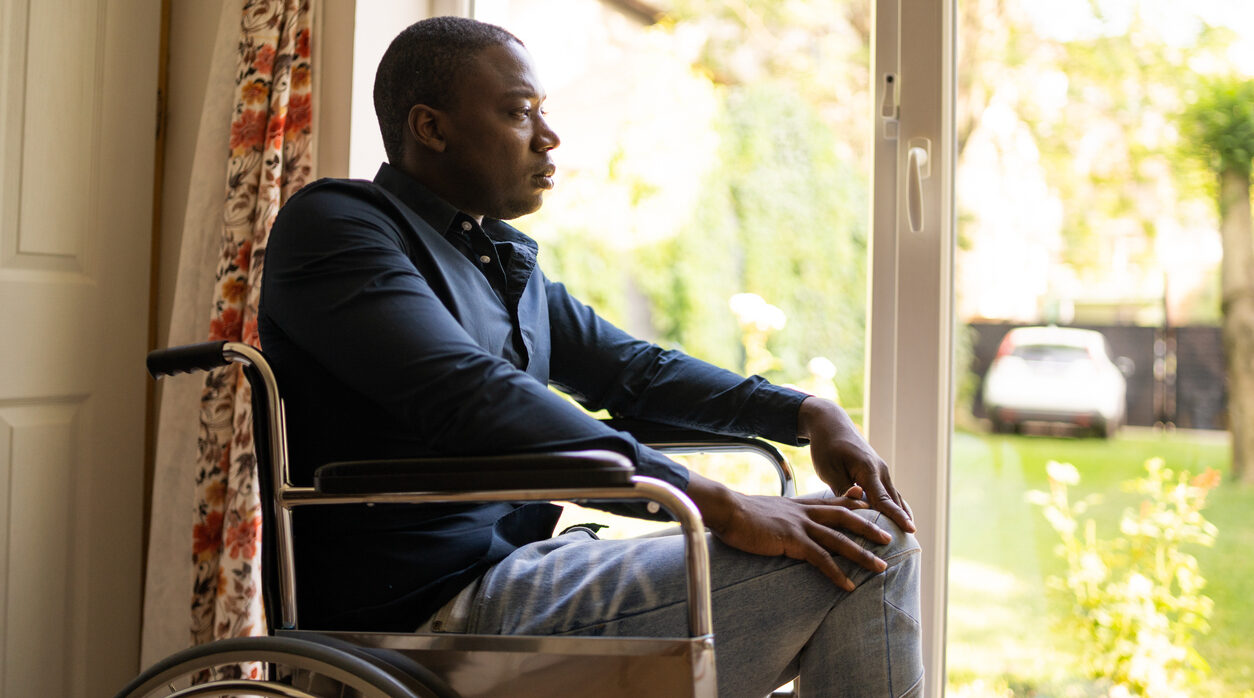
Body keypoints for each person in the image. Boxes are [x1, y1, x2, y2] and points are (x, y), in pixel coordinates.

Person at [258, 15, 922, 697]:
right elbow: (469, 396)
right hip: (428, 612)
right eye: (520, 113)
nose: (549, 137)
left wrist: (806, 411)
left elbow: (635, 373)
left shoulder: (502, 263)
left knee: (861, 537)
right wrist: (717, 505)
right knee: (872, 545)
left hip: (525, 571)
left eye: (543, 111)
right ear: (431, 128)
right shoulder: (338, 226)